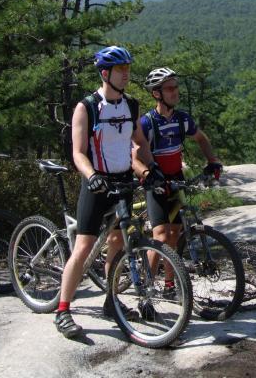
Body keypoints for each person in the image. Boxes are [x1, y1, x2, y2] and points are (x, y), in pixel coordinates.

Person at [54, 46, 160, 339]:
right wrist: (91, 176)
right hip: (97, 184)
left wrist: (151, 168)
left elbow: (138, 141)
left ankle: (111, 301)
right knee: (85, 246)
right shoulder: (86, 107)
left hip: (123, 181)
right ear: (105, 73)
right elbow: (77, 152)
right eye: (120, 69)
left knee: (117, 241)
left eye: (127, 68)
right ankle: (63, 310)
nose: (126, 74)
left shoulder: (131, 105)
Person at [138, 67, 223, 296]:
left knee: (175, 234)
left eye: (176, 87)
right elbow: (135, 153)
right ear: (157, 93)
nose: (175, 92)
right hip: (156, 182)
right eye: (169, 88)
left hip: (176, 179)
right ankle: (146, 290)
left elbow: (200, 137)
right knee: (161, 236)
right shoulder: (147, 123)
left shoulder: (181, 119)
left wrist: (212, 161)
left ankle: (169, 285)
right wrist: (146, 175)